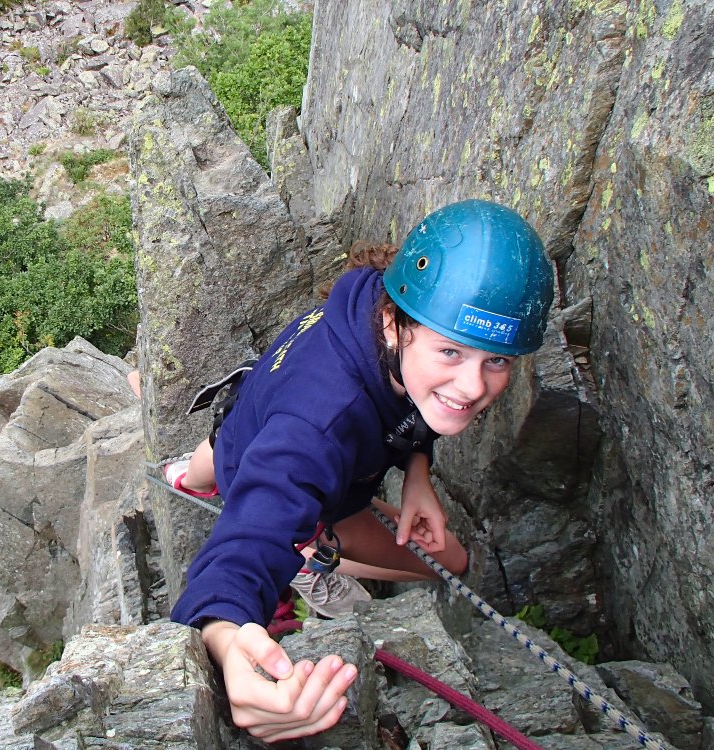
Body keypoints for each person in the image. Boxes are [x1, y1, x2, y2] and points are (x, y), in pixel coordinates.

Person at [169, 199, 554, 743]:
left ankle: (192, 472)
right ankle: (304, 557)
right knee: (452, 564)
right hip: (299, 464)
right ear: (397, 326)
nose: (473, 387)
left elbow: (420, 407)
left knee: (218, 459)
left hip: (247, 415)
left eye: (496, 360)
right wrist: (226, 639)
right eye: (450, 352)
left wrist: (418, 473)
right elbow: (243, 547)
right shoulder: (317, 427)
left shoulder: (380, 298)